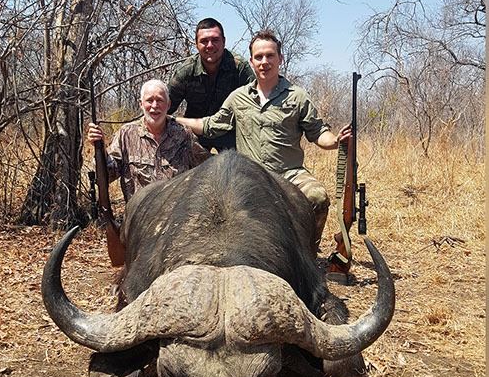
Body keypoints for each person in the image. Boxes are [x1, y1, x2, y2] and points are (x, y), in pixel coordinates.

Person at [176, 30, 352, 251]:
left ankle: (306, 255)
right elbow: (210, 125)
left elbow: (318, 133)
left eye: (270, 56)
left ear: (280, 58)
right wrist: (172, 119)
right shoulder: (238, 97)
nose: (264, 62)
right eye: (258, 57)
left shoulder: (297, 96)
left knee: (317, 197)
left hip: (289, 173)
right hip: (248, 174)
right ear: (251, 62)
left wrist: (336, 140)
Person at [87, 79, 209, 202]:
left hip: (175, 212)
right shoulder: (126, 134)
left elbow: (206, 170)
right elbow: (108, 176)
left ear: (168, 104)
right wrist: (100, 148)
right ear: (141, 104)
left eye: (160, 100)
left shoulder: (184, 134)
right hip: (139, 212)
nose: (154, 106)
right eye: (149, 100)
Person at [168, 18, 255, 152]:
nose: (210, 45)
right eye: (204, 41)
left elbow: (256, 104)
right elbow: (166, 107)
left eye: (215, 40)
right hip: (195, 132)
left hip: (230, 133)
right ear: (196, 44)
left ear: (224, 42)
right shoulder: (186, 70)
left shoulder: (239, 67)